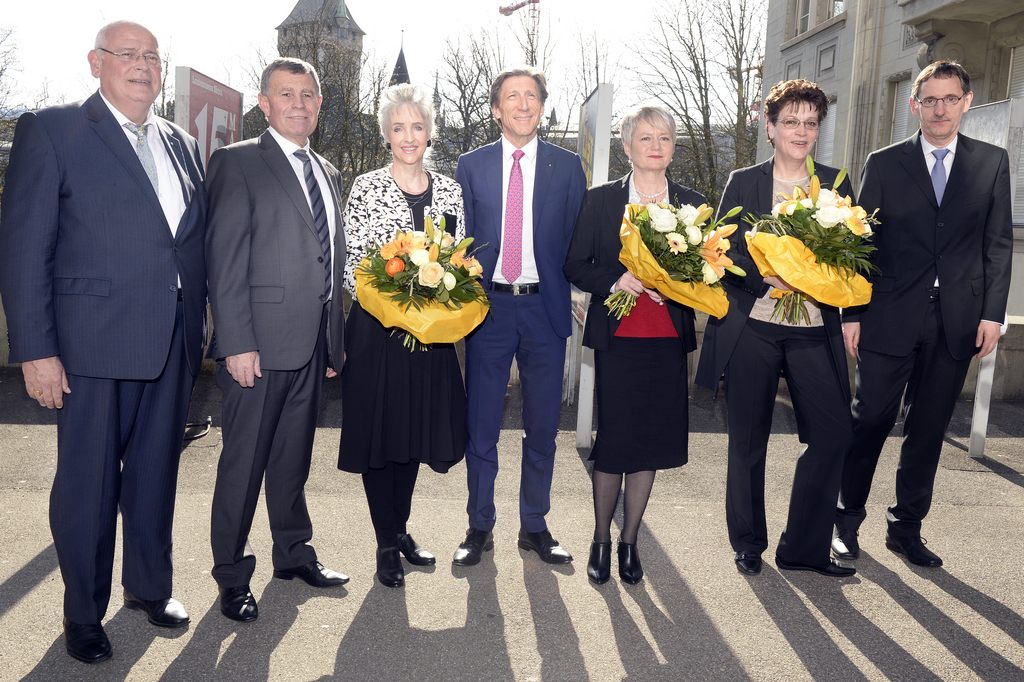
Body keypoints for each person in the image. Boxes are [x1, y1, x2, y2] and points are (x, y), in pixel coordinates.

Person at [0, 20, 206, 663]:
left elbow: (185, 240)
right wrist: (36, 350)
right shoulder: (54, 129)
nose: (143, 65)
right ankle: (82, 613)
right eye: (127, 54)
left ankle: (147, 587)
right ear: (96, 63)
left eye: (152, 55)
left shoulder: (178, 140)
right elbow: (24, 248)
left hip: (171, 341)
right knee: (88, 487)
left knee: (155, 475)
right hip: (89, 347)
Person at [833, 61, 1013, 567]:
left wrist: (992, 314)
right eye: (930, 100)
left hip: (958, 319)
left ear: (967, 101)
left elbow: (997, 245)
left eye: (950, 99)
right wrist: (851, 312)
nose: (940, 109)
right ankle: (845, 522)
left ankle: (905, 528)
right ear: (914, 104)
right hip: (888, 315)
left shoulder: (992, 162)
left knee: (929, 427)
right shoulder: (885, 163)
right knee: (869, 419)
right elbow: (859, 243)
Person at [694, 79, 856, 578]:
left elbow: (853, 256)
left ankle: (803, 546)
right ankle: (747, 541)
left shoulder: (835, 184)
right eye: (791, 121)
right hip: (754, 328)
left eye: (810, 123)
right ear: (770, 127)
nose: (800, 131)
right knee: (747, 439)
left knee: (832, 434)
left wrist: (831, 287)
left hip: (813, 327)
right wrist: (760, 272)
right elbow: (719, 251)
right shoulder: (744, 181)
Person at [206, 57, 348, 623]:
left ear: (319, 105)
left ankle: (292, 555)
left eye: (308, 94)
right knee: (243, 465)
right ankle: (232, 577)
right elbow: (224, 258)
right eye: (286, 94)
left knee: (292, 461)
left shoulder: (328, 172)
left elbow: (329, 263)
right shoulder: (237, 163)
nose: (299, 103)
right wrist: (235, 342)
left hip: (312, 346)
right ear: (264, 104)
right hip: (256, 350)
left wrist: (334, 343)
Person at [452, 67, 587, 566]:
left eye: (531, 96)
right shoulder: (470, 165)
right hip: (488, 308)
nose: (523, 104)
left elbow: (578, 240)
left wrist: (579, 292)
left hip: (545, 308)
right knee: (480, 424)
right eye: (512, 96)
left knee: (543, 426)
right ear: (496, 109)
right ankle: (478, 525)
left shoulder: (567, 167)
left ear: (542, 106)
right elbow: (459, 241)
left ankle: (534, 525)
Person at [563, 106, 700, 585]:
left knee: (651, 444)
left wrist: (680, 283)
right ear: (627, 147)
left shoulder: (691, 202)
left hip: (667, 341)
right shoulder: (601, 200)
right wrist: (617, 279)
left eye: (664, 137)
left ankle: (630, 542)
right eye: (646, 138)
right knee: (617, 441)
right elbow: (575, 264)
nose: (656, 145)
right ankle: (601, 537)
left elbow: (709, 269)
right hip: (619, 340)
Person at [338, 84, 467, 588]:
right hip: (378, 334)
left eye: (417, 127)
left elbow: (457, 259)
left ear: (430, 132)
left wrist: (447, 290)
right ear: (386, 135)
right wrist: (394, 305)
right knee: (381, 435)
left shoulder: (451, 189)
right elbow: (352, 265)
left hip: (431, 338)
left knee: (413, 435)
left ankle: (401, 527)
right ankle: (386, 542)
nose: (408, 137)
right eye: (398, 128)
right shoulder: (367, 187)